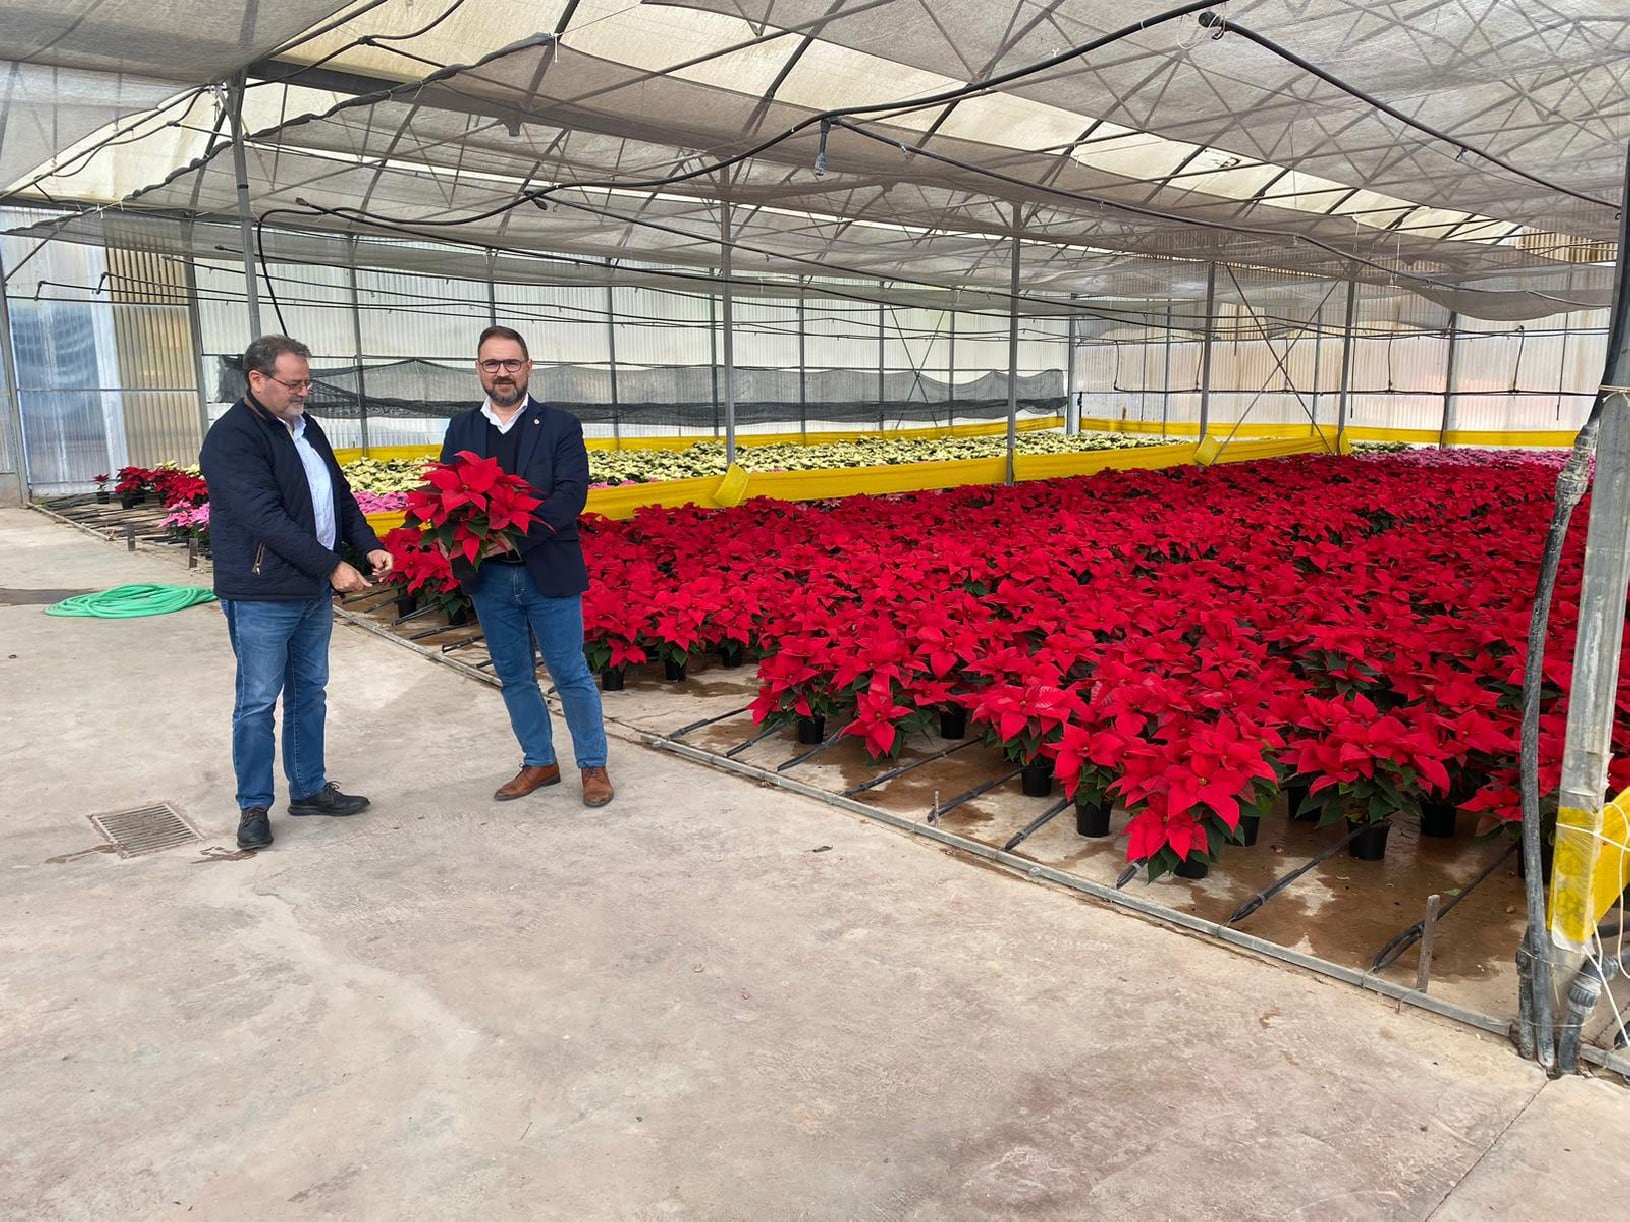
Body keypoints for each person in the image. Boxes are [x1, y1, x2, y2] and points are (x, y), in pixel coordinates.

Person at [200, 335, 393, 851]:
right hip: (262, 591)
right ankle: (254, 805)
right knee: (258, 700)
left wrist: (368, 545)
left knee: (310, 692)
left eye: (307, 381)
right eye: (294, 383)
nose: (304, 391)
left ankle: (308, 788)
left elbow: (340, 495)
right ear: (256, 379)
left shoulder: (307, 428)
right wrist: (332, 565)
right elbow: (263, 518)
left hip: (309, 588)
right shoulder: (232, 438)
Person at [438, 325, 614, 807]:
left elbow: (569, 496)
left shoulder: (559, 425)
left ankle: (592, 764)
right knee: (514, 674)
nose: (502, 373)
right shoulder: (461, 428)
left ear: (528, 367)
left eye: (511, 363)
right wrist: (460, 541)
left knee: (569, 672)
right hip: (490, 579)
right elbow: (448, 495)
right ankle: (539, 760)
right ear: (478, 369)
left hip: (547, 570)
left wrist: (507, 538)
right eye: (492, 364)